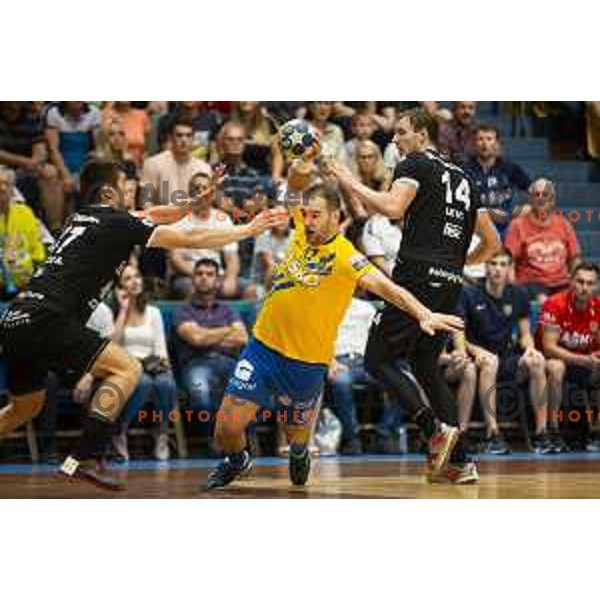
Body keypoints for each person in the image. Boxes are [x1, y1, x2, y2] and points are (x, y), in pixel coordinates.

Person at [0, 158, 281, 490]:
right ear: (109, 191)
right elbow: (188, 239)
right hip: (50, 318)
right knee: (127, 369)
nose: (132, 188)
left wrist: (196, 200)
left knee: (25, 407)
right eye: (126, 183)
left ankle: (83, 456)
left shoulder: (86, 217)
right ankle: (86, 456)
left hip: (18, 318)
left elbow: (160, 214)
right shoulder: (116, 222)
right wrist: (247, 230)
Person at [205, 182, 463, 489]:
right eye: (305, 214)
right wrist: (302, 157)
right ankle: (237, 460)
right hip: (263, 349)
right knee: (226, 428)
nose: (308, 221)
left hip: (307, 364)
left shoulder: (346, 257)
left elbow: (388, 288)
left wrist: (424, 313)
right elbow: (297, 177)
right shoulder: (301, 231)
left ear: (334, 216)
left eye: (316, 215)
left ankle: (300, 453)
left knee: (295, 434)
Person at [329, 107, 501, 484]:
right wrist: (457, 265)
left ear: (422, 135)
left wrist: (348, 179)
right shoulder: (467, 178)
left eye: (402, 133)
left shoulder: (415, 164)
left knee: (377, 360)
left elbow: (392, 207)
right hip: (449, 283)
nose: (395, 139)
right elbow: (493, 242)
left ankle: (432, 430)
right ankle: (460, 462)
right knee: (425, 366)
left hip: (415, 279)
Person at [454, 251, 553, 454]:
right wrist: (477, 351)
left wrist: (531, 349)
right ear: (485, 267)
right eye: (493, 264)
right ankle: (493, 434)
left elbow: (525, 333)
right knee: (490, 362)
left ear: (510, 269)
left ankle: (542, 433)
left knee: (537, 362)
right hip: (478, 356)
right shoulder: (469, 294)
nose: (497, 269)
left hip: (507, 357)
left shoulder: (519, 294)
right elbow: (459, 334)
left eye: (503, 264)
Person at [97, 264, 178, 462]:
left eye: (137, 277)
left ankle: (161, 433)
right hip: (126, 368)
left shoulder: (153, 312)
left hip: (152, 364)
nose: (134, 282)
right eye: (128, 279)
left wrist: (164, 366)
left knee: (166, 384)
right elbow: (112, 347)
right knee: (143, 383)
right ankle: (119, 432)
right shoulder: (111, 313)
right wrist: (124, 310)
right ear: (119, 287)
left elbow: (160, 349)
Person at [173, 258, 248, 449]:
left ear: (217, 280)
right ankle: (216, 438)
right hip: (196, 364)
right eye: (199, 274)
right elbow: (196, 339)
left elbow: (242, 338)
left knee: (248, 390)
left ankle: (234, 438)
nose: (204, 278)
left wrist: (206, 334)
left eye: (209, 274)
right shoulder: (182, 310)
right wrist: (225, 330)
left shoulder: (227, 310)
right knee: (201, 395)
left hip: (227, 361)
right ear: (192, 279)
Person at [539, 261, 600, 452]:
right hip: (553, 362)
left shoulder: (598, 308)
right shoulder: (555, 304)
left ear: (597, 286)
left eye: (590, 283)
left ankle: (595, 433)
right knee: (557, 366)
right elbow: (549, 348)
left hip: (586, 365)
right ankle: (553, 431)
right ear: (571, 281)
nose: (584, 288)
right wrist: (584, 360)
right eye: (580, 282)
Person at [169, 171, 247, 299]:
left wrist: (230, 279)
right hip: (189, 275)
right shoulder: (178, 218)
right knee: (190, 289)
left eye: (205, 188)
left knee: (249, 289)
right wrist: (202, 277)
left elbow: (232, 258)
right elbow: (176, 259)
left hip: (217, 275)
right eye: (196, 188)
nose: (201, 192)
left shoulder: (223, 219)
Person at [505, 178, 581, 300]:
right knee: (544, 300)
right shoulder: (517, 225)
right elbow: (509, 262)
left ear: (552, 200)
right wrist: (513, 290)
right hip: (531, 283)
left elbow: (575, 259)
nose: (541, 198)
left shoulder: (564, 224)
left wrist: (577, 283)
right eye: (537, 194)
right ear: (530, 199)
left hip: (561, 282)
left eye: (545, 194)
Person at [327, 294, 379, 454]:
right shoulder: (325, 306)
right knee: (341, 382)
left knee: (404, 379)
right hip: (338, 360)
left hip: (367, 361)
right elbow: (318, 338)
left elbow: (377, 338)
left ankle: (386, 431)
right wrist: (330, 362)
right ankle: (352, 437)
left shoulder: (367, 307)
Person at [463, 124, 531, 237]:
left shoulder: (510, 168)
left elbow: (535, 191)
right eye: (480, 139)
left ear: (497, 144)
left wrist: (527, 208)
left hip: (506, 224)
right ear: (474, 144)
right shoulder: (464, 169)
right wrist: (487, 213)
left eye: (489, 139)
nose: (484, 144)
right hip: (476, 225)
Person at [141, 117, 212, 205]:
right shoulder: (153, 163)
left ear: (193, 139)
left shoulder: (203, 167)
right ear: (170, 137)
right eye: (179, 135)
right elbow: (146, 202)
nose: (184, 140)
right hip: (161, 216)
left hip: (193, 216)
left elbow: (206, 202)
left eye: (188, 135)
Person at [0, 166, 46, 300]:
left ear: (12, 189)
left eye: (6, 184)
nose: (2, 188)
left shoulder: (25, 213)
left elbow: (37, 252)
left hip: (25, 287)